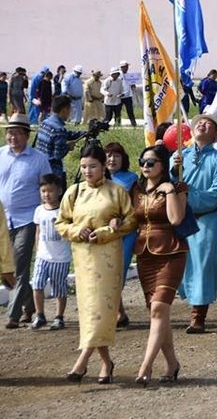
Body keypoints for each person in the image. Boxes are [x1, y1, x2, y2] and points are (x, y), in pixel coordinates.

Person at [56, 144, 136, 383]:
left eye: (92, 166)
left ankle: (81, 362)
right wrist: (76, 230)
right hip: (83, 259)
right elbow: (61, 223)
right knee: (90, 311)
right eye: (84, 167)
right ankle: (106, 363)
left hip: (108, 257)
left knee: (102, 309)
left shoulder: (116, 192)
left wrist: (106, 231)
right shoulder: (74, 192)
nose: (87, 171)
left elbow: (131, 221)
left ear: (103, 166)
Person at [130, 145, 188, 385]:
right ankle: (172, 363)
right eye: (142, 161)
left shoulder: (177, 188)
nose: (146, 166)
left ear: (163, 165)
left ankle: (146, 366)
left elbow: (176, 218)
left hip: (171, 253)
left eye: (151, 162)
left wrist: (170, 190)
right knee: (158, 313)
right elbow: (130, 219)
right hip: (144, 255)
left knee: (158, 309)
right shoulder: (136, 189)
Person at [175, 114, 217, 334]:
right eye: (200, 121)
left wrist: (188, 196)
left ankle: (198, 315)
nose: (202, 124)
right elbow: (168, 185)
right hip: (180, 217)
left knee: (204, 266)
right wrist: (173, 172)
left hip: (207, 218)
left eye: (209, 123)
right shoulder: (179, 157)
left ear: (215, 134)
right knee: (180, 263)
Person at [1, 113, 52, 329]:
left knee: (19, 265)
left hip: (27, 219)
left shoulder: (39, 159)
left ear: (26, 135)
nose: (13, 137)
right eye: (10, 133)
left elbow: (47, 187)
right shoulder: (1, 155)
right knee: (6, 267)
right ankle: (29, 304)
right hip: (4, 219)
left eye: (17, 133)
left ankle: (13, 315)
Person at [105, 142, 139, 329]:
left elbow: (135, 207)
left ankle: (114, 313)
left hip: (126, 232)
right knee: (107, 273)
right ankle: (120, 313)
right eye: (108, 155)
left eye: (116, 156)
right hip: (104, 233)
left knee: (119, 272)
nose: (112, 159)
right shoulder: (98, 178)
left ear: (123, 159)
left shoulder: (131, 178)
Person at [29, 173, 70, 330]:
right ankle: (40, 315)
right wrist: (37, 249)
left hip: (60, 258)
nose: (47, 194)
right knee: (37, 285)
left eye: (50, 191)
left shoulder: (64, 211)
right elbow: (38, 231)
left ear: (59, 191)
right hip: (42, 256)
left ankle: (59, 317)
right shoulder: (39, 210)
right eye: (43, 191)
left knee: (59, 288)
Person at [34, 95, 87, 183]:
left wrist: (84, 133)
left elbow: (66, 134)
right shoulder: (59, 129)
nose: (70, 112)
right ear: (64, 110)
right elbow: (58, 155)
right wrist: (68, 147)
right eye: (70, 109)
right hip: (53, 172)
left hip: (40, 167)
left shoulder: (45, 122)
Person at [118, 60, 139, 127]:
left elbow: (132, 85)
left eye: (127, 66)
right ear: (122, 67)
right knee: (118, 111)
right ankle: (117, 124)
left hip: (128, 96)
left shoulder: (130, 75)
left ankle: (134, 124)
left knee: (130, 111)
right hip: (120, 96)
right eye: (125, 66)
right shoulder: (118, 75)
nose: (127, 68)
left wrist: (133, 85)